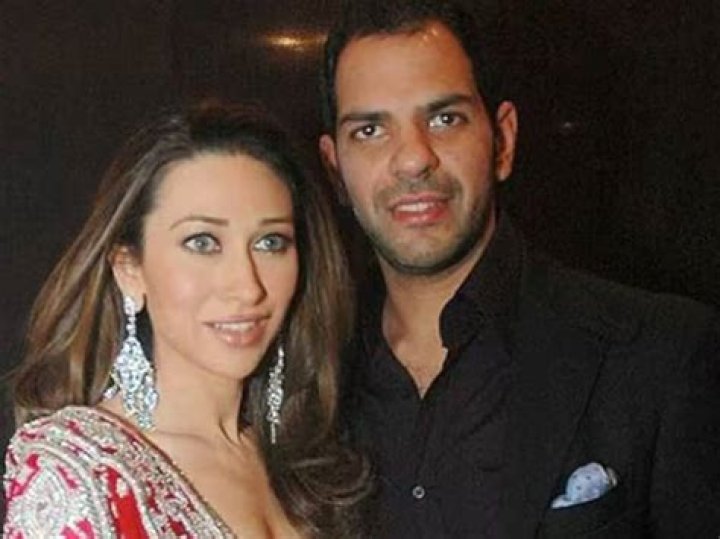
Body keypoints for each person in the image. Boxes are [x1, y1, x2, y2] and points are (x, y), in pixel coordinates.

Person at [318, 1, 720, 537]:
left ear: (503, 141)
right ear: (335, 170)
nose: (413, 158)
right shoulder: (302, 379)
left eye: (444, 119)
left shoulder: (663, 357)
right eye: (370, 130)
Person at [3, 102, 370, 538]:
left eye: (271, 242)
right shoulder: (79, 472)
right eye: (202, 242)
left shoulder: (303, 460)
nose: (247, 286)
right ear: (129, 268)